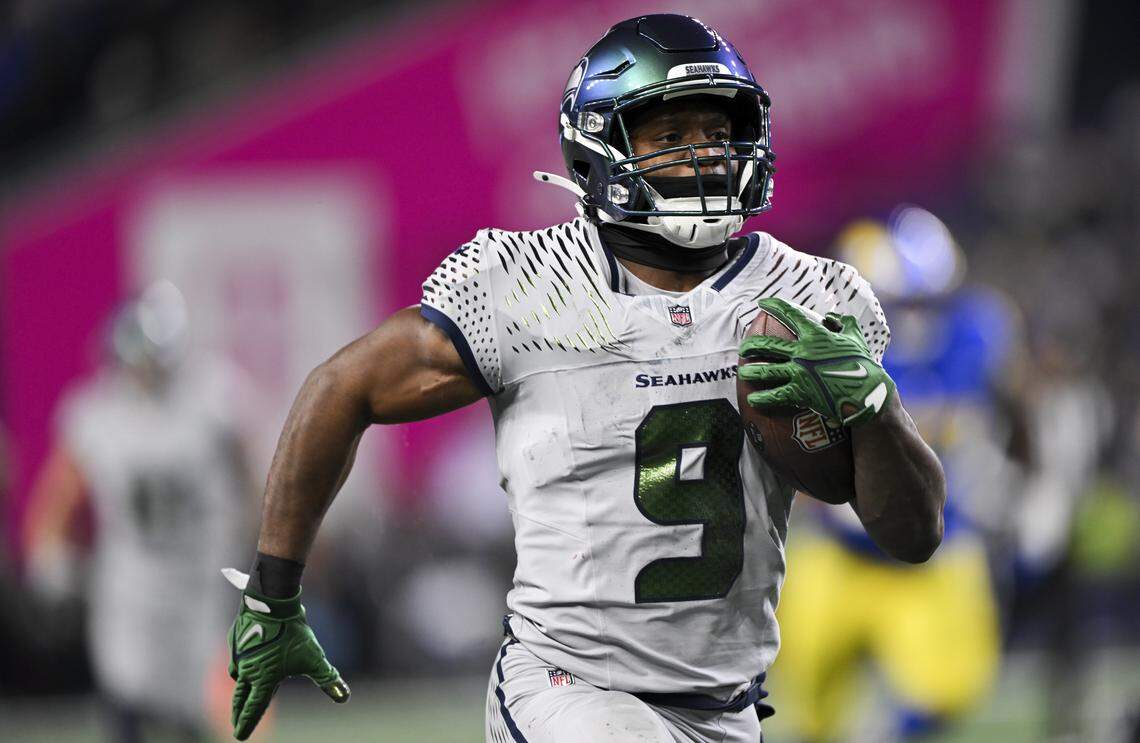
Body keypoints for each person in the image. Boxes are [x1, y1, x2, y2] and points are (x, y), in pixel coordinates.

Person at [223, 15, 945, 743]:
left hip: (724, 706)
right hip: (568, 687)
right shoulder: (525, 283)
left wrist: (874, 407)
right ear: (598, 151)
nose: (705, 155)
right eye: (670, 137)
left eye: (716, 130)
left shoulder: (808, 297)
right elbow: (340, 387)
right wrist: (273, 596)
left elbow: (914, 535)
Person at [774, 212, 1012, 742]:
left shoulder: (973, 333)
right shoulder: (818, 342)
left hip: (932, 552)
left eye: (924, 304)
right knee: (806, 703)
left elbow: (977, 421)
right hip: (841, 552)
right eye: (898, 305)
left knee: (951, 687)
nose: (913, 320)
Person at [25, 281, 254, 743]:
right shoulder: (97, 413)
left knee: (200, 706)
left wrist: (258, 543)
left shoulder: (213, 397)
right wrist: (48, 554)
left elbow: (250, 481)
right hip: (131, 581)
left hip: (200, 578)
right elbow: (56, 501)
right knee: (127, 695)